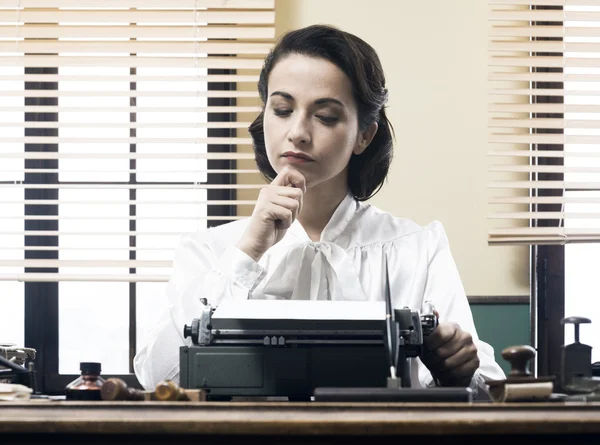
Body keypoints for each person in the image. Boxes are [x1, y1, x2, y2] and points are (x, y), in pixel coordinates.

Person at [134, 24, 505, 393]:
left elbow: (488, 386)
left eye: (325, 116)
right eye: (281, 109)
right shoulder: (208, 249)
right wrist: (247, 253)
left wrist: (456, 368)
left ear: (364, 135)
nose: (297, 132)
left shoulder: (418, 246)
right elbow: (160, 378)